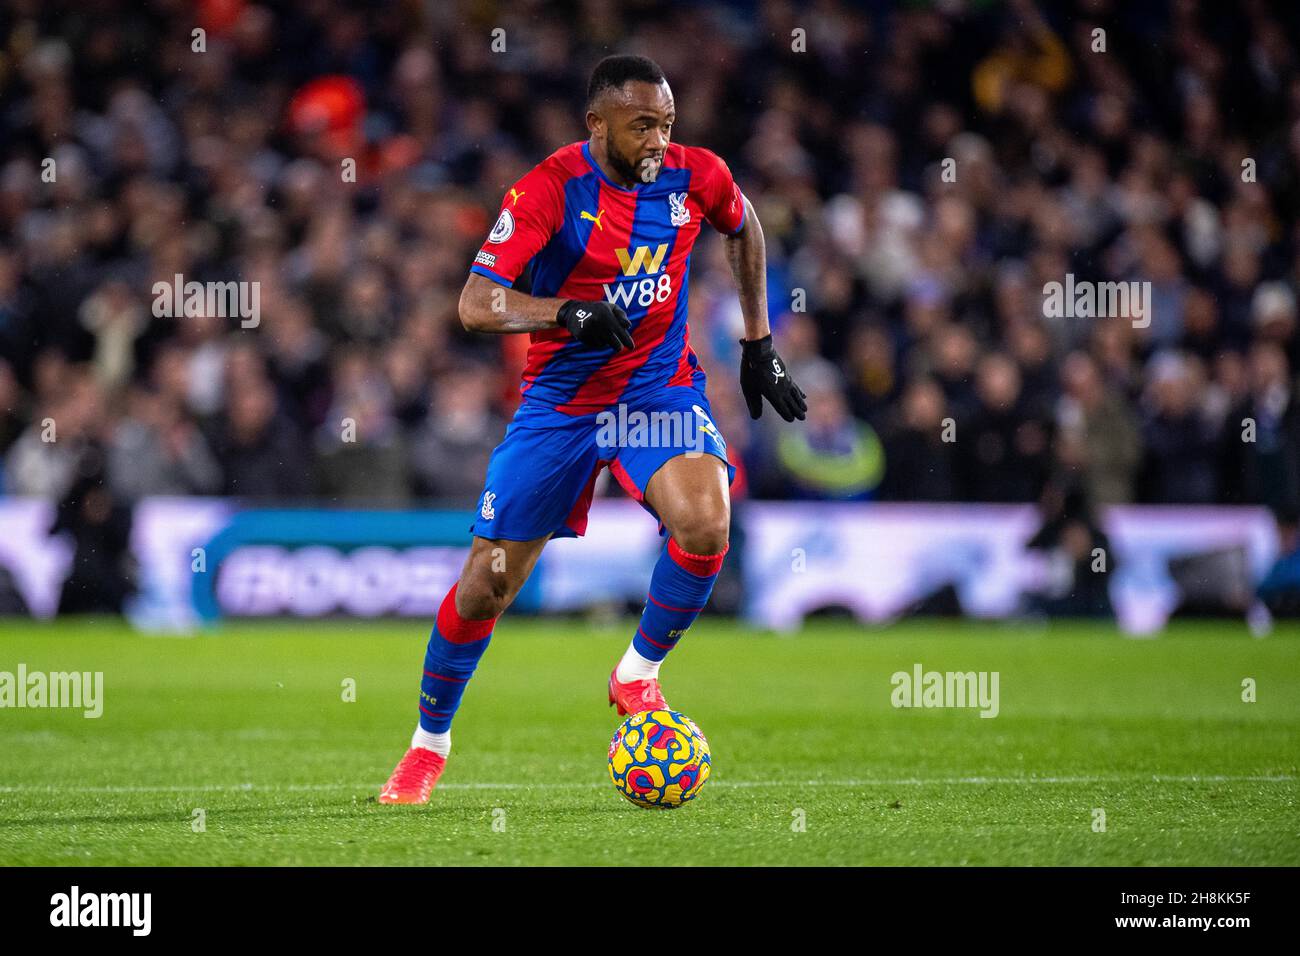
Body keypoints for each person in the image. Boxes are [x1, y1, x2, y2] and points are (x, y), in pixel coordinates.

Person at [379, 55, 807, 804]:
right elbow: (477, 304)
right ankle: (428, 747)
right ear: (597, 123)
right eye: (642, 125)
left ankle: (636, 674)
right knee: (487, 586)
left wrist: (759, 342)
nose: (657, 141)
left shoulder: (694, 174)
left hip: (656, 393)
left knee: (707, 524)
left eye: (667, 125)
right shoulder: (547, 190)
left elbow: (745, 228)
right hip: (562, 404)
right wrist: (565, 313)